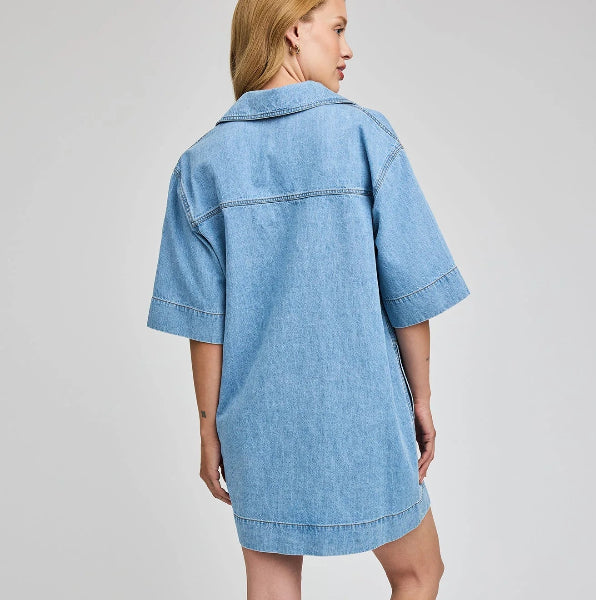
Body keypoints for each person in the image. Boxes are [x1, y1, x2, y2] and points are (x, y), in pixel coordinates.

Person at [146, 0, 470, 597]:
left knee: (272, 591)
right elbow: (409, 293)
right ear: (294, 30)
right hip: (367, 410)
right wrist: (421, 400)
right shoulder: (363, 136)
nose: (348, 50)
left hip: (256, 422)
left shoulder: (201, 165)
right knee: (419, 572)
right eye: (338, 29)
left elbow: (205, 324)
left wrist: (209, 429)